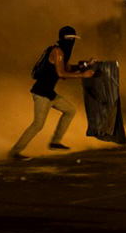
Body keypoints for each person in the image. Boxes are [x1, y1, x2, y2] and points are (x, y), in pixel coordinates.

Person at [9, 26, 95, 161]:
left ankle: (55, 142)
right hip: (41, 93)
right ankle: (14, 152)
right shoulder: (58, 52)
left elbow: (66, 68)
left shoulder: (62, 52)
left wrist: (83, 66)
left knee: (70, 110)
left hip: (49, 93)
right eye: (70, 39)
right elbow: (61, 73)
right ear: (63, 39)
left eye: (73, 39)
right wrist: (83, 75)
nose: (72, 42)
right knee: (38, 125)